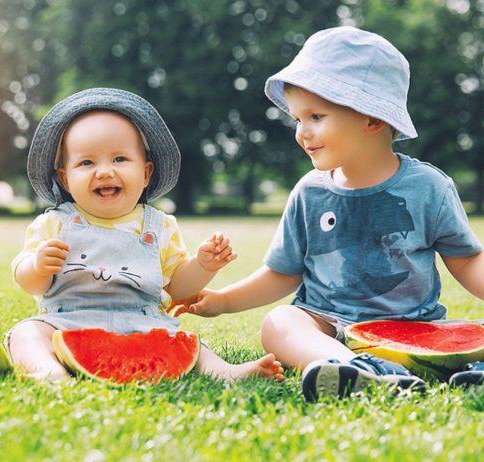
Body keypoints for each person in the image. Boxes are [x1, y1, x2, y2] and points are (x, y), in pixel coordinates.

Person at [182, 27, 484, 399]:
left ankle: (470, 368)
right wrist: (225, 300)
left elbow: (468, 261)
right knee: (280, 322)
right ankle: (356, 369)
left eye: (316, 116)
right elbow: (282, 273)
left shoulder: (429, 188)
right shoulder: (310, 192)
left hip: (414, 328)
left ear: (372, 119)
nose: (302, 133)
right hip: (326, 325)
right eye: (297, 119)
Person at [7, 88, 284, 382]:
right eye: (86, 163)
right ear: (65, 178)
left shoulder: (159, 226)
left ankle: (227, 372)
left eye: (119, 159)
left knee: (189, 342)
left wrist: (203, 266)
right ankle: (48, 371)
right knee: (27, 333)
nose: (103, 171)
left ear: (146, 172)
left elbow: (177, 286)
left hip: (142, 321)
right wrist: (36, 266)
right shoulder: (53, 223)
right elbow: (25, 278)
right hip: (66, 320)